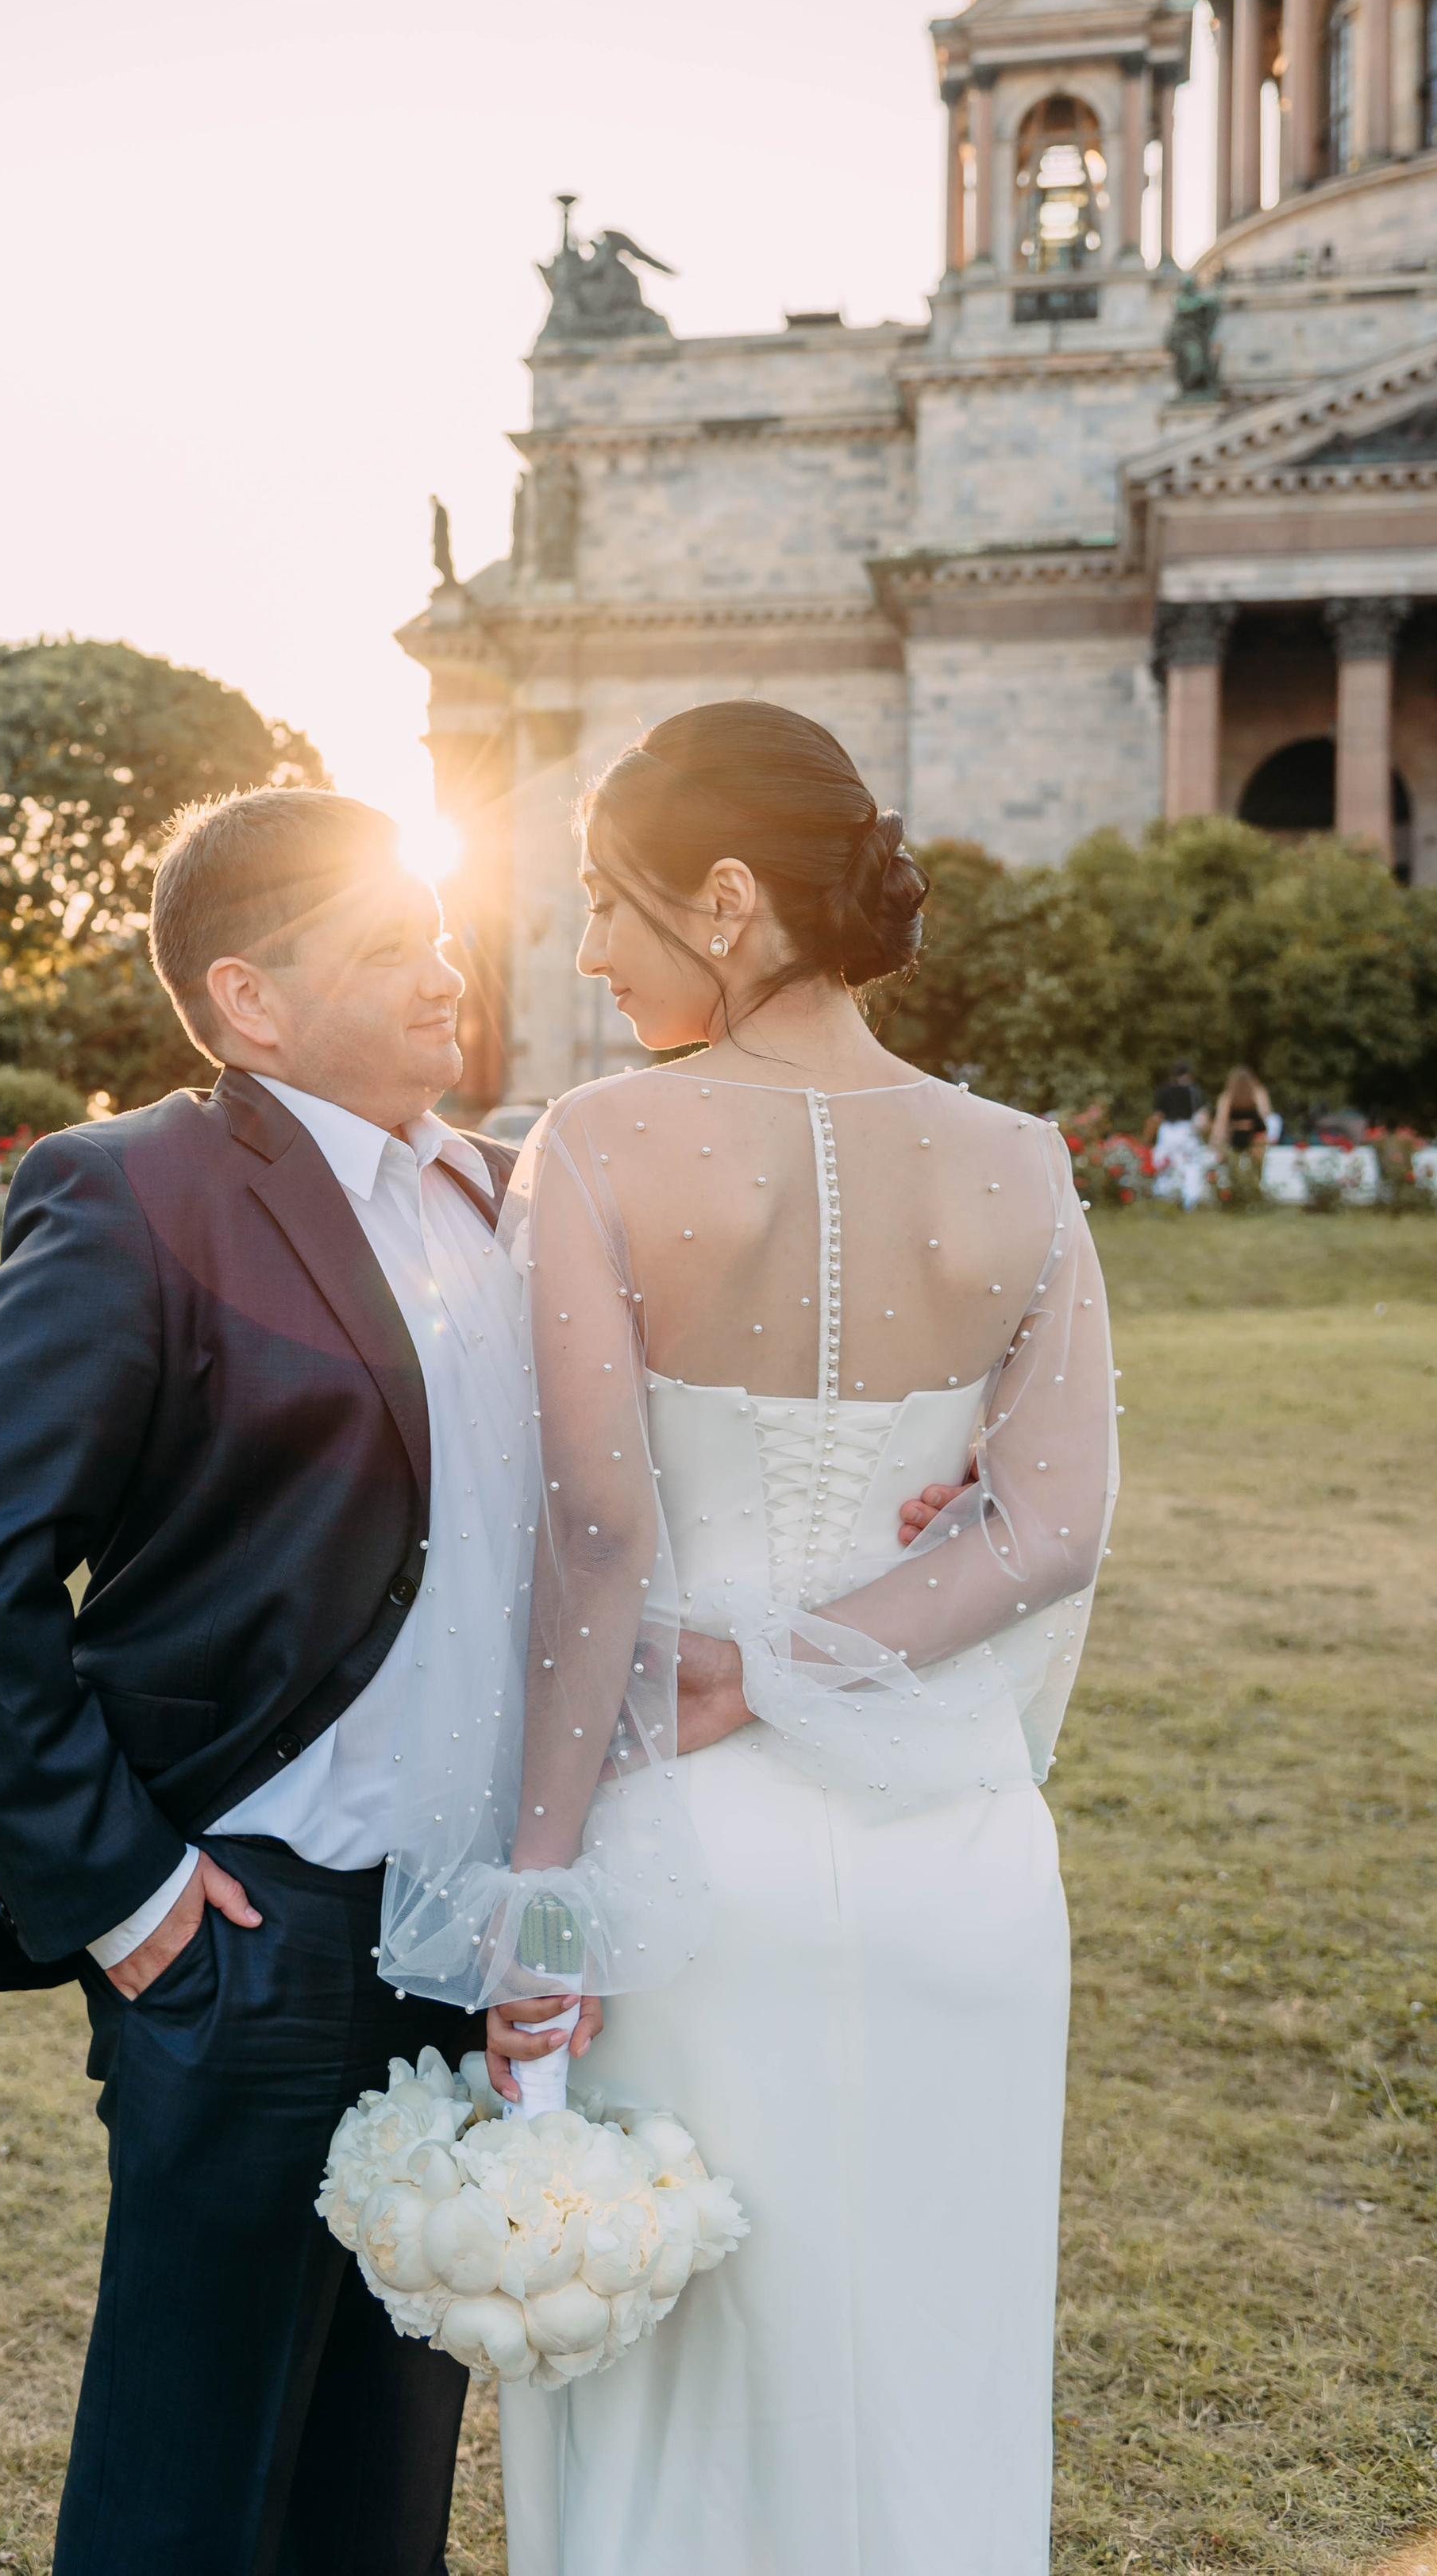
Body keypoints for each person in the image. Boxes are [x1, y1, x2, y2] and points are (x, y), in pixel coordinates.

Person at [379, 702, 1116, 2576]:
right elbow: (1048, 1524)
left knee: (677, 2396)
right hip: (957, 1858)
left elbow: (601, 1527)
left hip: (690, 1855)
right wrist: (820, 1647)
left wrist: (533, 1887)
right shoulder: (1021, 1161)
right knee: (928, 2366)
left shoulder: (603, 1142)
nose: (581, 950)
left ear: (723, 899)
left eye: (601, 903)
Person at [0, 787, 528, 2576]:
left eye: (439, 932)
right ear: (249, 1000)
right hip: (252, 1932)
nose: (440, 969)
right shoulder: (134, 1190)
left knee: (384, 2471)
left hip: (459, 1932)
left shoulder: (489, 1188)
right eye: (389, 944)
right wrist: (125, 1889)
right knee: (189, 2484)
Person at [1144, 1059, 1212, 1209]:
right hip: (1185, 1128)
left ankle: (1163, 1197)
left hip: (1168, 1129)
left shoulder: (1164, 1089)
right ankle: (1190, 1199)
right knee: (1189, 1164)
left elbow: (1158, 1115)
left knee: (1164, 1163)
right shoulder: (1192, 1089)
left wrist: (1147, 1137)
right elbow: (1201, 1114)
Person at [1211, 1065, 1274, 1157]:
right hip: (1255, 1137)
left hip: (1234, 1137)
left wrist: (1215, 1142)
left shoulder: (1227, 1098)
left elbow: (1221, 1122)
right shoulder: (1258, 1093)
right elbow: (1266, 1114)